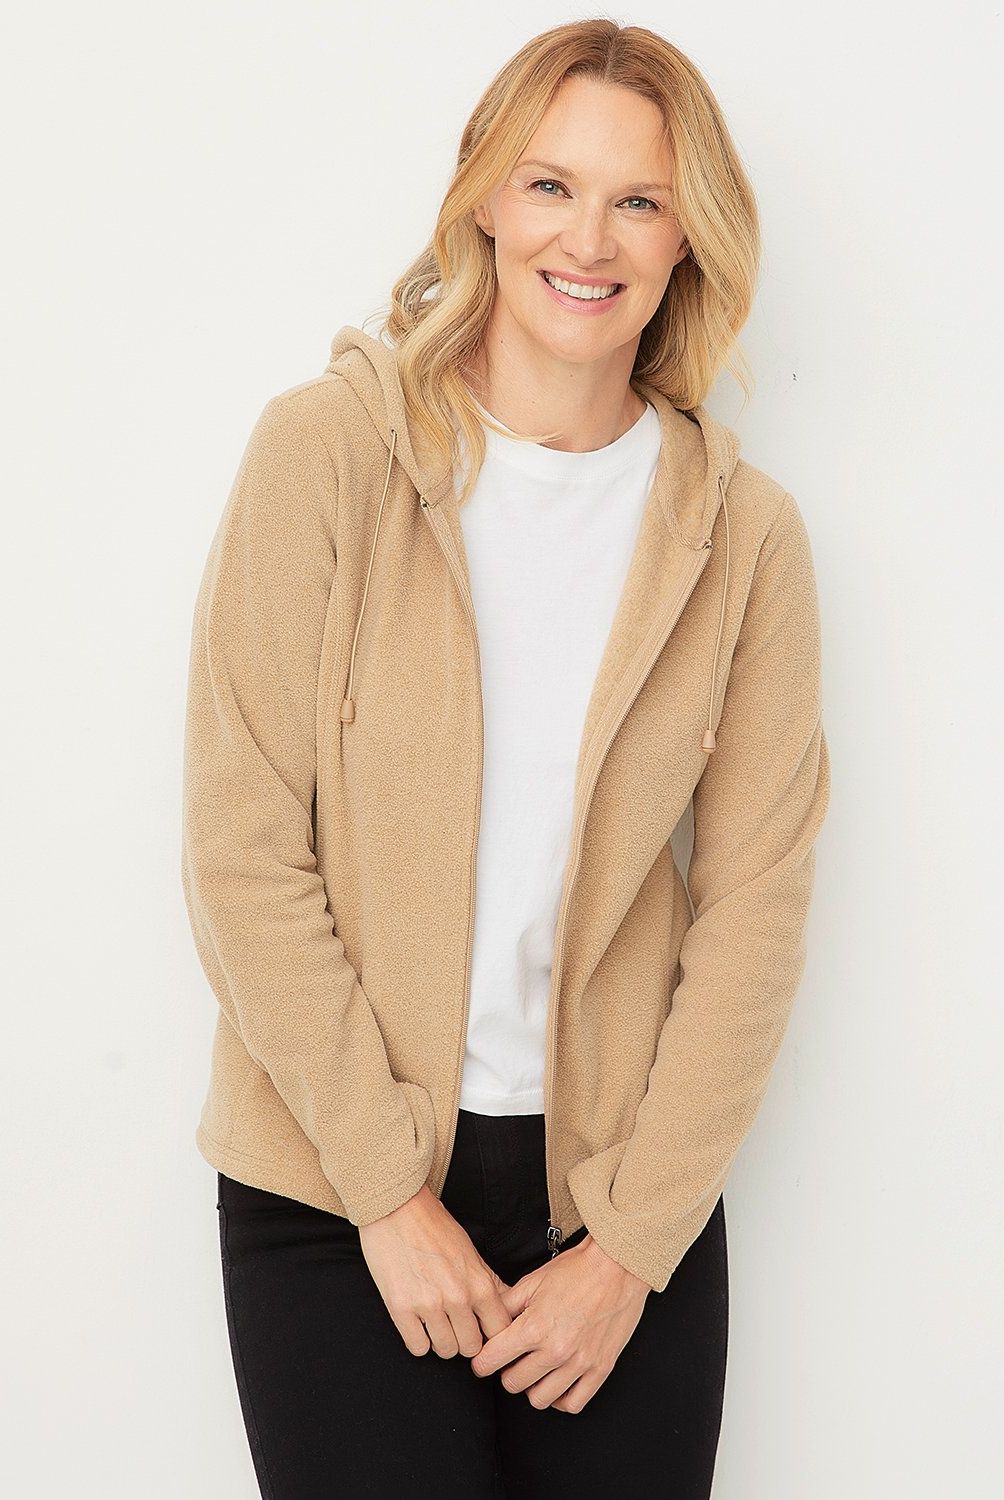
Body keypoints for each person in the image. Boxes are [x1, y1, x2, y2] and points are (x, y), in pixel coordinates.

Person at [181, 17, 830, 1497]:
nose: (586, 240)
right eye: (550, 186)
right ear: (482, 196)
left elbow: (755, 913)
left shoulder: (743, 539)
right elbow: (241, 847)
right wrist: (386, 1194)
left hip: (618, 1208)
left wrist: (634, 1244)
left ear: (687, 238)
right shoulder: (326, 456)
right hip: (332, 1190)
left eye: (639, 200)